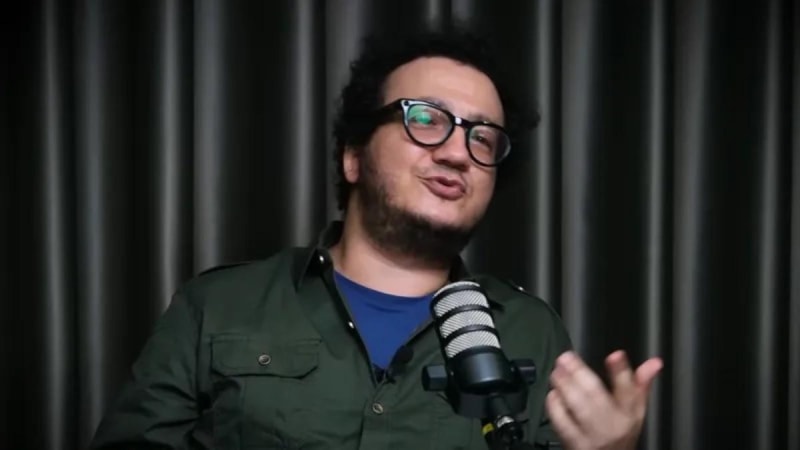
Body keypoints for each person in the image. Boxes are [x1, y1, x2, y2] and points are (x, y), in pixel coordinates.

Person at [90, 26, 662, 450]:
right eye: (425, 118)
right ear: (353, 156)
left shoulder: (531, 331)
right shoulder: (216, 306)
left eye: (483, 138)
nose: (458, 152)